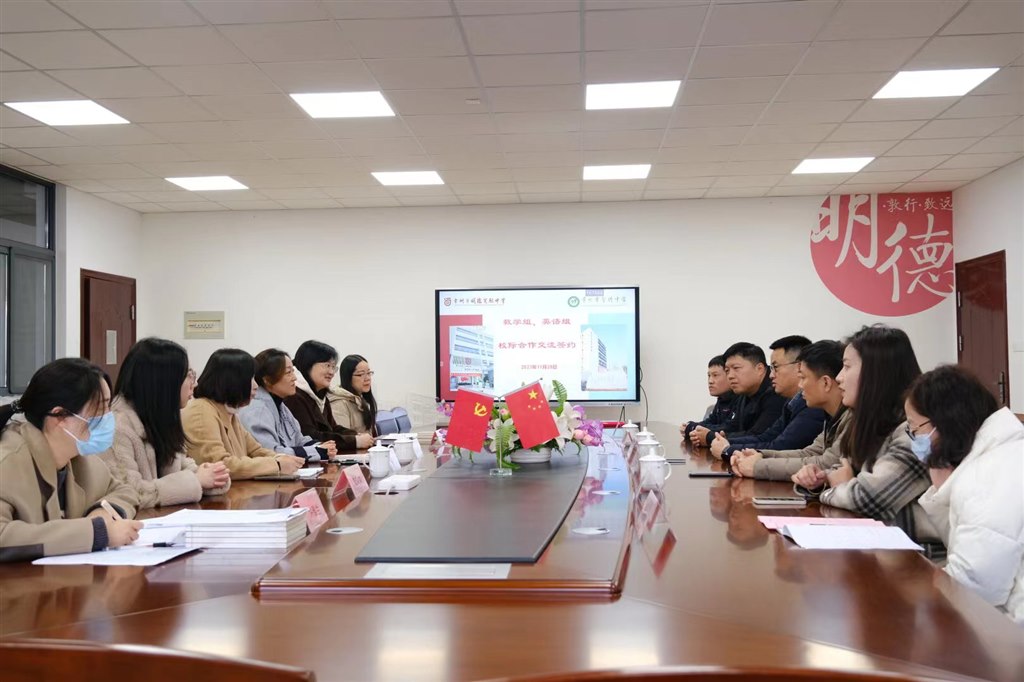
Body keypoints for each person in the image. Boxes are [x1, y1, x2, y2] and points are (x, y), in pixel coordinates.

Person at [907, 365, 1024, 624]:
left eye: (915, 429)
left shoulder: (987, 474)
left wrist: (913, 591)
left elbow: (973, 587)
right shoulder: (999, 454)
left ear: (942, 424)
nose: (913, 439)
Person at [0, 358, 141, 562]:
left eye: (109, 406)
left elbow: (125, 491)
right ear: (59, 416)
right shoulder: (8, 463)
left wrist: (103, 512)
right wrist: (97, 533)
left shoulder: (79, 458)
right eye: (99, 409)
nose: (108, 417)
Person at [791, 326, 930, 532]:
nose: (839, 377)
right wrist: (819, 480)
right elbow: (843, 473)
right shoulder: (867, 424)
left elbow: (865, 498)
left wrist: (840, 486)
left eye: (847, 367)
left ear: (876, 373)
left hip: (911, 550)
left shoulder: (913, 433)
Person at [102, 338, 230, 509]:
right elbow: (131, 494)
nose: (195, 383)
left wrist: (213, 476)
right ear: (164, 382)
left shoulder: (162, 419)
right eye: (189, 375)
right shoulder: (117, 428)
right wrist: (196, 480)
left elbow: (186, 469)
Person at [730, 340, 849, 481]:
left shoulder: (851, 417)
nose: (800, 385)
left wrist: (757, 466)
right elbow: (810, 452)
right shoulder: (831, 415)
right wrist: (760, 455)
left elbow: (825, 464)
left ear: (825, 382)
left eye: (803, 377)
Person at [182, 349, 304, 479]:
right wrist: (277, 464)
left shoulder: (229, 412)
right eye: (250, 379)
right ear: (232, 381)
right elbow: (220, 465)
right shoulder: (201, 412)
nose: (256, 386)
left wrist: (285, 459)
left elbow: (256, 450)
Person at [711, 336, 825, 465]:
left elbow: (781, 446)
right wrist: (724, 443)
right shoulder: (791, 402)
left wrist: (727, 449)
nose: (771, 375)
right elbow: (766, 437)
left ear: (799, 367)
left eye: (775, 367)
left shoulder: (813, 406)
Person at [239, 348, 338, 461]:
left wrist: (321, 446)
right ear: (267, 379)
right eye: (288, 373)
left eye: (293, 371)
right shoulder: (257, 410)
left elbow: (299, 440)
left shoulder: (280, 404)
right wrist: (317, 451)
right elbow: (270, 453)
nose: (294, 378)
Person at [689, 342, 786, 447]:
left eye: (736, 368)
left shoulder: (776, 392)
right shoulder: (744, 392)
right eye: (727, 371)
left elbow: (759, 436)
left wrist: (711, 437)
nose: (730, 376)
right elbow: (733, 427)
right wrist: (698, 430)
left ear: (759, 369)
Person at [285, 341, 374, 452]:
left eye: (333, 367)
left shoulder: (321, 394)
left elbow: (333, 428)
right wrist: (355, 441)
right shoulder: (295, 396)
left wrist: (356, 435)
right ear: (308, 364)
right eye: (327, 366)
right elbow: (311, 436)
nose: (331, 372)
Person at [680, 355, 736, 437]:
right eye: (709, 376)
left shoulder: (740, 400)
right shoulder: (722, 399)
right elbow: (711, 421)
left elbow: (727, 428)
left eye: (715, 375)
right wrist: (689, 425)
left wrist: (693, 427)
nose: (710, 381)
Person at [327, 354, 378, 434]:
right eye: (360, 374)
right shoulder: (339, 404)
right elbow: (343, 438)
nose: (367, 378)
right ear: (347, 377)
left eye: (369, 373)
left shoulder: (361, 400)